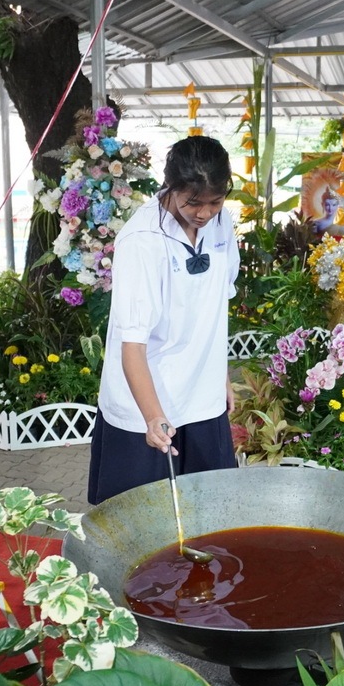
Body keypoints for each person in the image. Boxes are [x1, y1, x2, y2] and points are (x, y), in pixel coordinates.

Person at [87, 136, 241, 505]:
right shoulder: (142, 240)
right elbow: (132, 344)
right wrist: (153, 417)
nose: (204, 213)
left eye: (215, 202)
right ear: (170, 187)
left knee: (211, 514)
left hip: (201, 398)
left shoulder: (221, 224)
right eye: (193, 202)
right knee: (138, 519)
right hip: (146, 398)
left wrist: (220, 376)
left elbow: (215, 306)